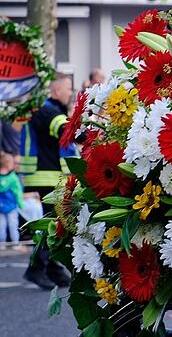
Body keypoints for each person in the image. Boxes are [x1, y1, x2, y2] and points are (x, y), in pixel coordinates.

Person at [21, 74, 75, 289]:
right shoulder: (47, 110)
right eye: (68, 88)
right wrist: (85, 134)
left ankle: (52, 267)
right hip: (48, 176)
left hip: (50, 175)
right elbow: (64, 130)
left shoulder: (47, 109)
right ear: (56, 90)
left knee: (57, 223)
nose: (70, 93)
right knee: (51, 224)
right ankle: (36, 268)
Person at [0, 151, 23, 247]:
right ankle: (15, 243)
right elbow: (18, 192)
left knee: (1, 225)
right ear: (8, 164)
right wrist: (21, 204)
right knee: (13, 224)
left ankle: (2, 244)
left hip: (1, 206)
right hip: (12, 206)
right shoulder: (13, 178)